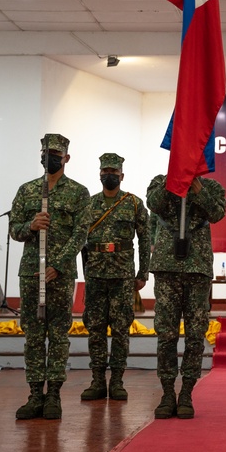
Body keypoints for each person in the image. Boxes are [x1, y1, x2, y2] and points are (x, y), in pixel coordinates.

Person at [9, 133, 90, 420]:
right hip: (31, 272)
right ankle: (34, 395)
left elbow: (81, 234)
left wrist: (59, 263)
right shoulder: (27, 190)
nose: (49, 157)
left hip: (60, 274)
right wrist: (30, 225)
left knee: (57, 335)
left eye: (55, 153)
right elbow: (14, 230)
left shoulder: (79, 193)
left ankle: (54, 394)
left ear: (66, 158)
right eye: (45, 152)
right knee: (33, 335)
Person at [147, 171, 226, 419]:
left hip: (197, 268)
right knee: (167, 334)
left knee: (195, 334)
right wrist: (175, 181)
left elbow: (217, 213)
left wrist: (197, 188)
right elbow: (154, 203)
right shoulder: (161, 181)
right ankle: (168, 393)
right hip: (166, 267)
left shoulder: (211, 186)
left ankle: (187, 394)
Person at [80, 153, 150, 402]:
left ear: (122, 176)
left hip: (122, 277)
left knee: (121, 330)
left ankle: (117, 381)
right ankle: (98, 381)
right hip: (96, 275)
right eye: (105, 171)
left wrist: (143, 273)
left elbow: (145, 240)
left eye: (114, 172)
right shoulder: (89, 204)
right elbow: (80, 241)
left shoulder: (133, 203)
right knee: (95, 329)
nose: (109, 175)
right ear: (100, 174)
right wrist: (84, 272)